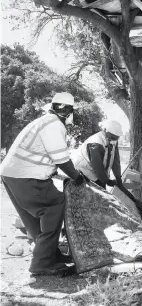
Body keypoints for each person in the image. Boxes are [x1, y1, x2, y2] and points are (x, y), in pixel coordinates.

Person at [0, 92, 85, 275]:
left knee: (33, 219)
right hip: (25, 175)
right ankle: (42, 263)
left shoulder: (44, 121)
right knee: (55, 203)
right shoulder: (55, 125)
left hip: (11, 174)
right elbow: (61, 158)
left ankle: (50, 254)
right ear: (69, 112)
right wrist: (76, 176)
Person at [72, 120, 123, 188]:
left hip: (94, 167)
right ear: (106, 131)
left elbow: (115, 159)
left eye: (116, 138)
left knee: (102, 185)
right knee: (98, 188)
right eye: (112, 137)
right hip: (84, 166)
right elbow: (97, 165)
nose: (114, 140)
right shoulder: (96, 143)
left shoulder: (113, 140)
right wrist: (107, 180)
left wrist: (118, 178)